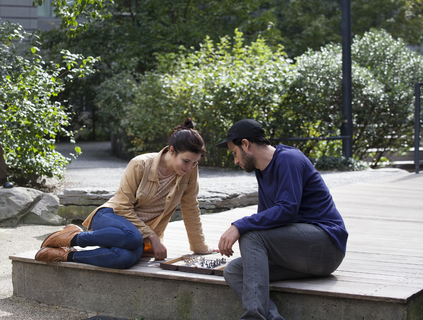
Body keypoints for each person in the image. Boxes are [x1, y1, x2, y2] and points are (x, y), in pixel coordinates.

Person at [35, 118, 214, 269]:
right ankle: (73, 238)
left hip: (135, 235)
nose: (190, 167)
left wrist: (200, 248)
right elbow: (122, 207)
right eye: (186, 161)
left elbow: (191, 207)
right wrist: (152, 236)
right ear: (172, 151)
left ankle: (63, 255)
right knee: (133, 237)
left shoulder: (189, 171)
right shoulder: (140, 164)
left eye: (195, 163)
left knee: (125, 259)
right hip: (111, 217)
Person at [216, 119, 348, 320]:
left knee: (250, 235)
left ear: (245, 144)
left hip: (326, 246)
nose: (235, 161)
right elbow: (267, 221)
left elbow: (287, 210)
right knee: (234, 270)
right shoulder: (262, 171)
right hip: (300, 256)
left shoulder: (289, 159)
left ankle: (254, 317)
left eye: (234, 153)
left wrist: (239, 225)